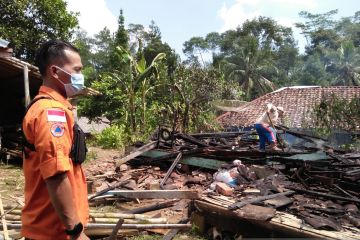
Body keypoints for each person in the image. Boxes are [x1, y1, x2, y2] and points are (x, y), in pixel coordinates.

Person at [22, 40, 89, 239]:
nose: (80, 76)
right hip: (53, 231)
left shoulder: (55, 108)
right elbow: (56, 174)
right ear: (55, 71)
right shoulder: (51, 113)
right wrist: (75, 230)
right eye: (76, 70)